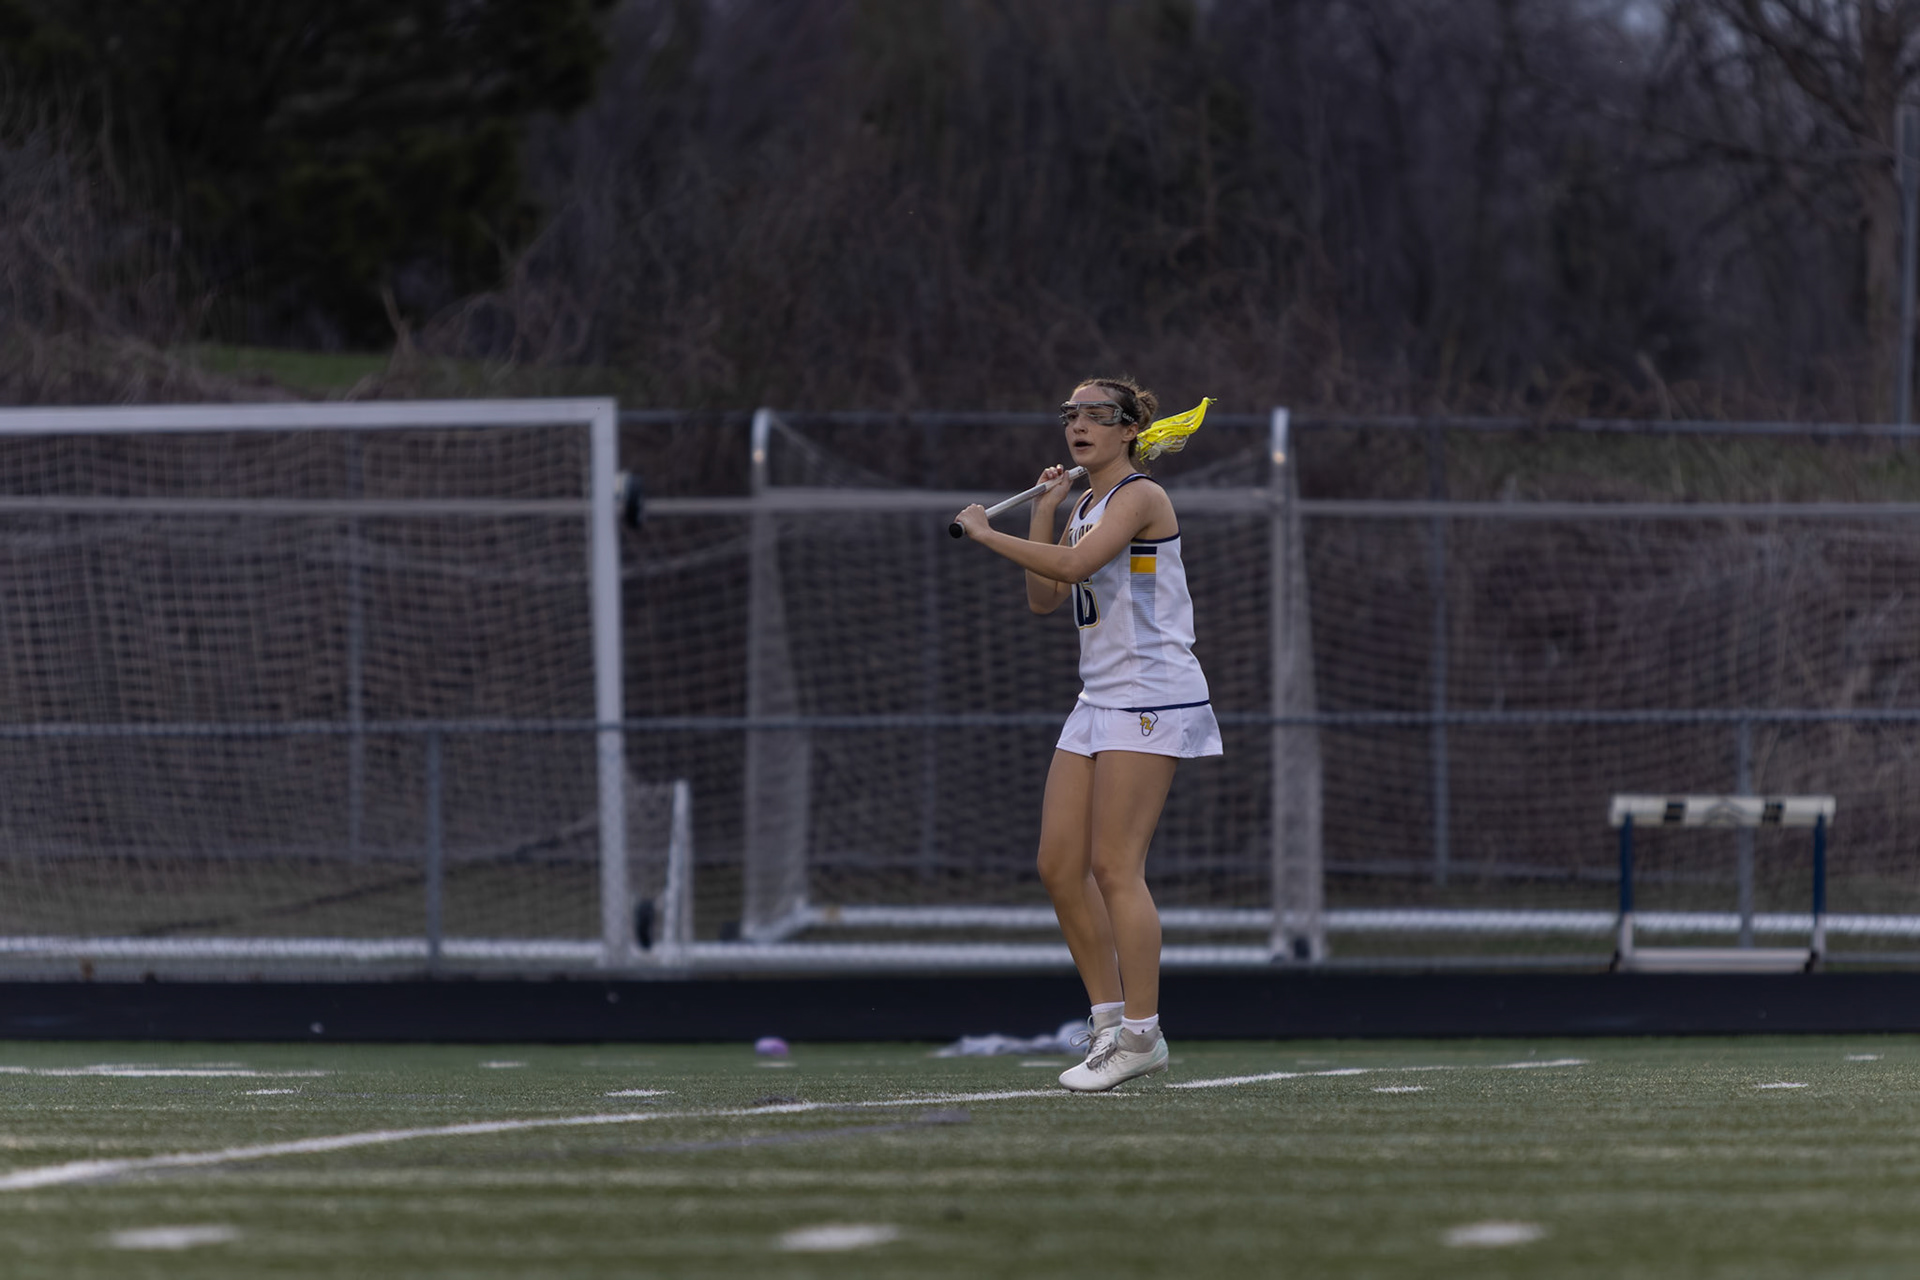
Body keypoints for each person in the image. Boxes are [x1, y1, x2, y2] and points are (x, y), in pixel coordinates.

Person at [951, 377, 1222, 1091]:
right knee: (1058, 864)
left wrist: (989, 533)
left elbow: (1074, 567)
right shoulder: (1082, 506)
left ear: (1130, 430)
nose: (1080, 425)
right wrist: (1043, 512)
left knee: (1115, 867)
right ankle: (1107, 1023)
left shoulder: (1140, 496)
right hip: (1098, 698)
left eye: (1099, 415)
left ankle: (1142, 1035)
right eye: (1072, 414)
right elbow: (1047, 597)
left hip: (1151, 695)